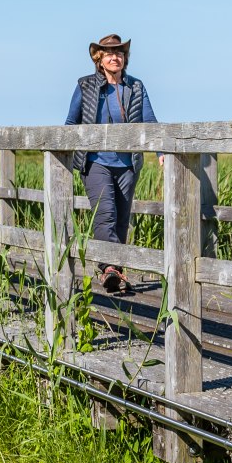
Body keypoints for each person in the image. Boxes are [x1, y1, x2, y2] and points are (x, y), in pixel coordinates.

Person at [65, 33, 158, 292]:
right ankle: (109, 269)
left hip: (127, 163)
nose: (115, 57)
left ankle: (114, 270)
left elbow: (149, 121)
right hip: (95, 161)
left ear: (124, 58)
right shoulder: (85, 86)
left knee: (121, 218)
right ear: (99, 59)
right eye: (109, 53)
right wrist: (65, 154)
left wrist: (161, 152)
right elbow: (71, 123)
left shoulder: (136, 87)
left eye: (119, 53)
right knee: (105, 213)